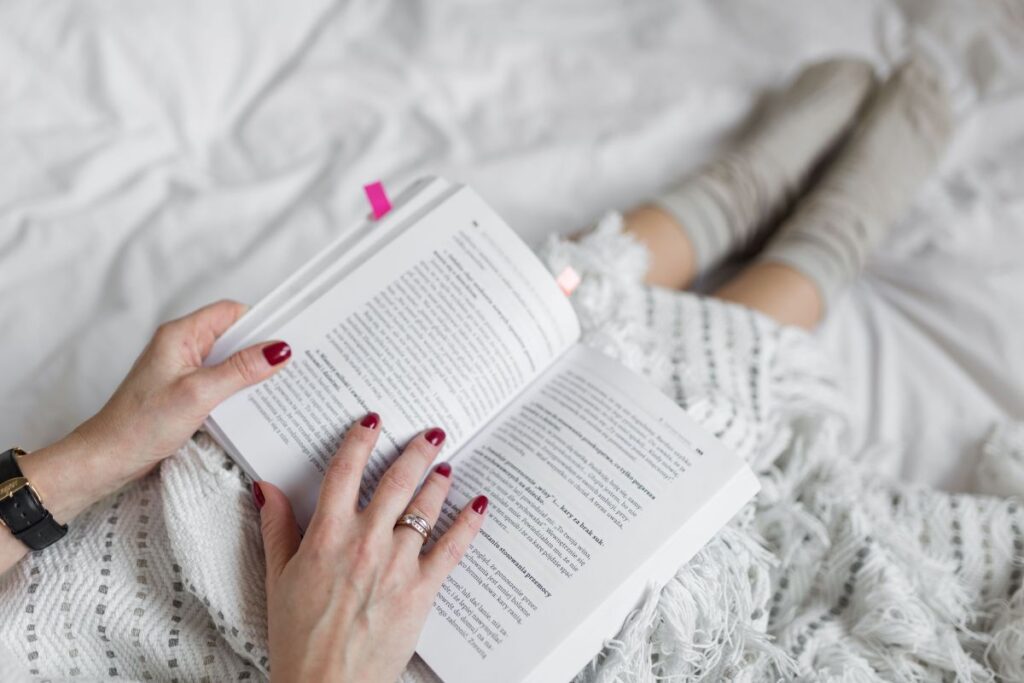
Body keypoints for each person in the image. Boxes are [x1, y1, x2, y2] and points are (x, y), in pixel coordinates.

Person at [4, 55, 1020, 682]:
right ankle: (820, 250)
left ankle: (720, 201)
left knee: (486, 336)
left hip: (143, 549)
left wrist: (85, 458)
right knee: (655, 528)